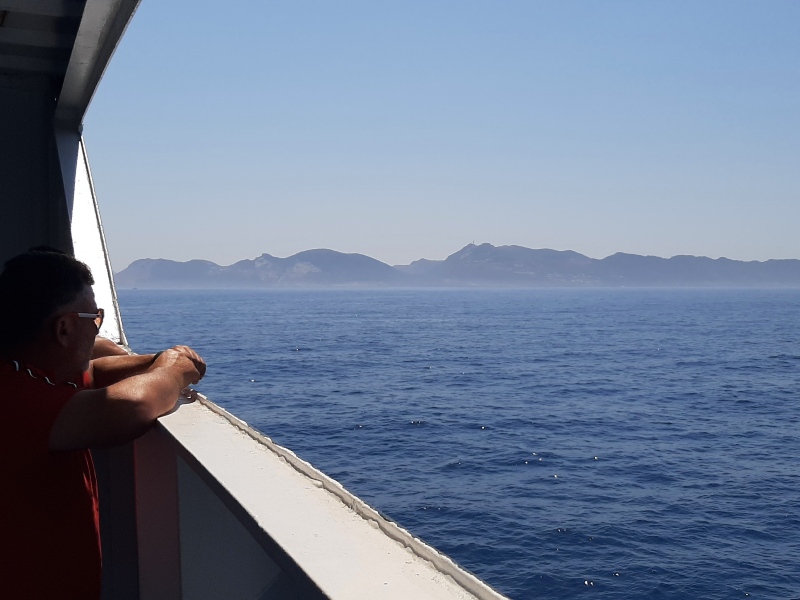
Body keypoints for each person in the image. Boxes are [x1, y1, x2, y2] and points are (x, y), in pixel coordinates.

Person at [0, 248, 206, 599]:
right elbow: (132, 405)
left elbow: (92, 371)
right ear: (64, 328)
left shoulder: (29, 370)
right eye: (93, 318)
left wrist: (154, 362)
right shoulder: (14, 397)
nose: (98, 330)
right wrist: (174, 369)